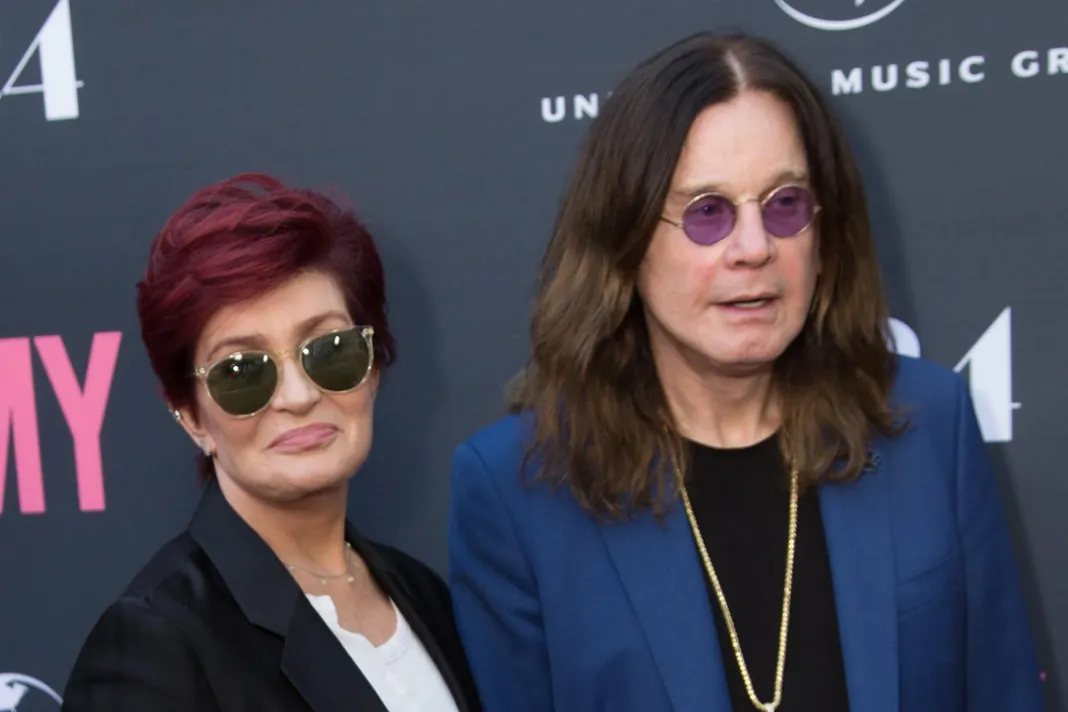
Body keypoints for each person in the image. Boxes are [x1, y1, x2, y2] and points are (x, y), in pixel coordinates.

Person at [447, 31, 1044, 712]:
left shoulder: (928, 423)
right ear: (626, 238)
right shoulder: (517, 490)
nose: (755, 248)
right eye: (708, 213)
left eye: (785, 204)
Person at [61, 173, 482, 712]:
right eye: (243, 372)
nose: (299, 396)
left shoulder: (424, 596)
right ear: (190, 415)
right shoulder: (157, 644)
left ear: (373, 367)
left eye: (330, 350)